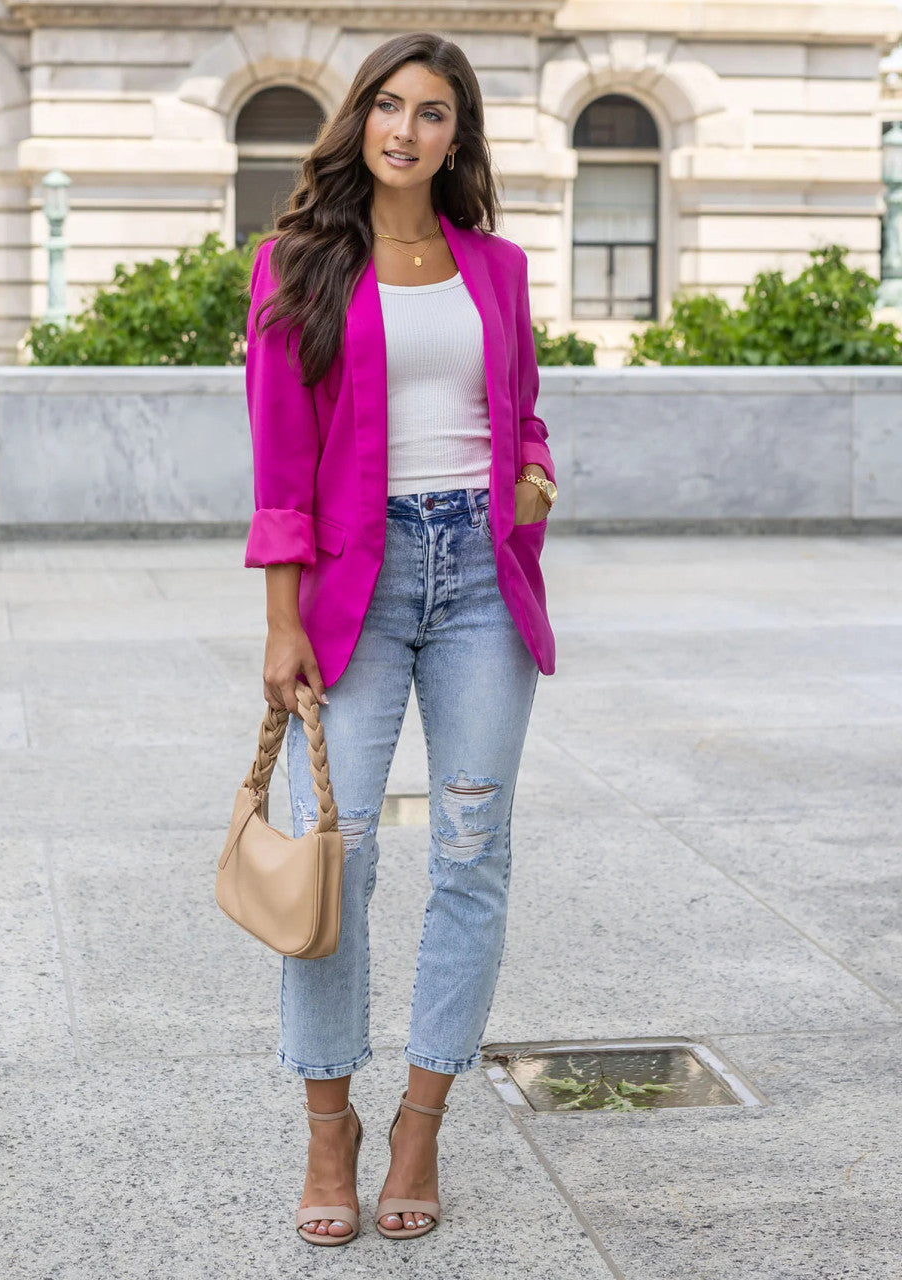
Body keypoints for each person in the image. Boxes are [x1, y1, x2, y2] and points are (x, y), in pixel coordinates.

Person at [242, 30, 558, 1246]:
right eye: (386, 105)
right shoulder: (298, 264)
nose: (405, 129)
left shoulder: (497, 264)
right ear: (357, 121)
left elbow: (520, 408)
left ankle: (421, 1112)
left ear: (455, 137)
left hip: (482, 577)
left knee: (471, 848)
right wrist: (280, 623)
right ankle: (332, 1122)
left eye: (431, 112)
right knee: (343, 851)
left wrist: (532, 470)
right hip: (351, 590)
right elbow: (278, 461)